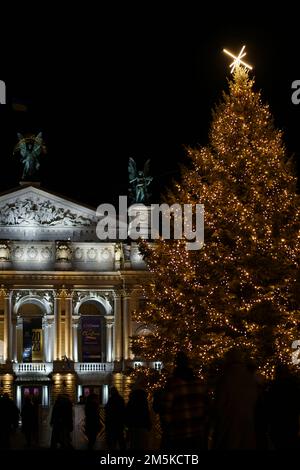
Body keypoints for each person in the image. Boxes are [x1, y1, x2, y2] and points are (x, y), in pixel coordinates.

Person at [158, 351, 209, 450]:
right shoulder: (200, 383)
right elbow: (207, 408)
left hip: (178, 435)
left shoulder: (173, 384)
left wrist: (167, 430)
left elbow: (165, 411)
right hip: (197, 434)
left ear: (176, 365)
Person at [212, 348, 259, 449]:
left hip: (230, 424)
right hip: (248, 423)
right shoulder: (250, 378)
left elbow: (219, 404)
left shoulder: (225, 378)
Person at [266, 364, 300, 449]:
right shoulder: (294, 384)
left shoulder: (273, 386)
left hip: (278, 420)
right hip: (290, 419)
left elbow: (269, 404)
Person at [125, 375, 151, 450]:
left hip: (133, 425)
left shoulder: (133, 396)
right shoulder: (142, 396)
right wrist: (148, 424)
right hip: (141, 425)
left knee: (134, 445)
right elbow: (145, 412)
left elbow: (128, 411)